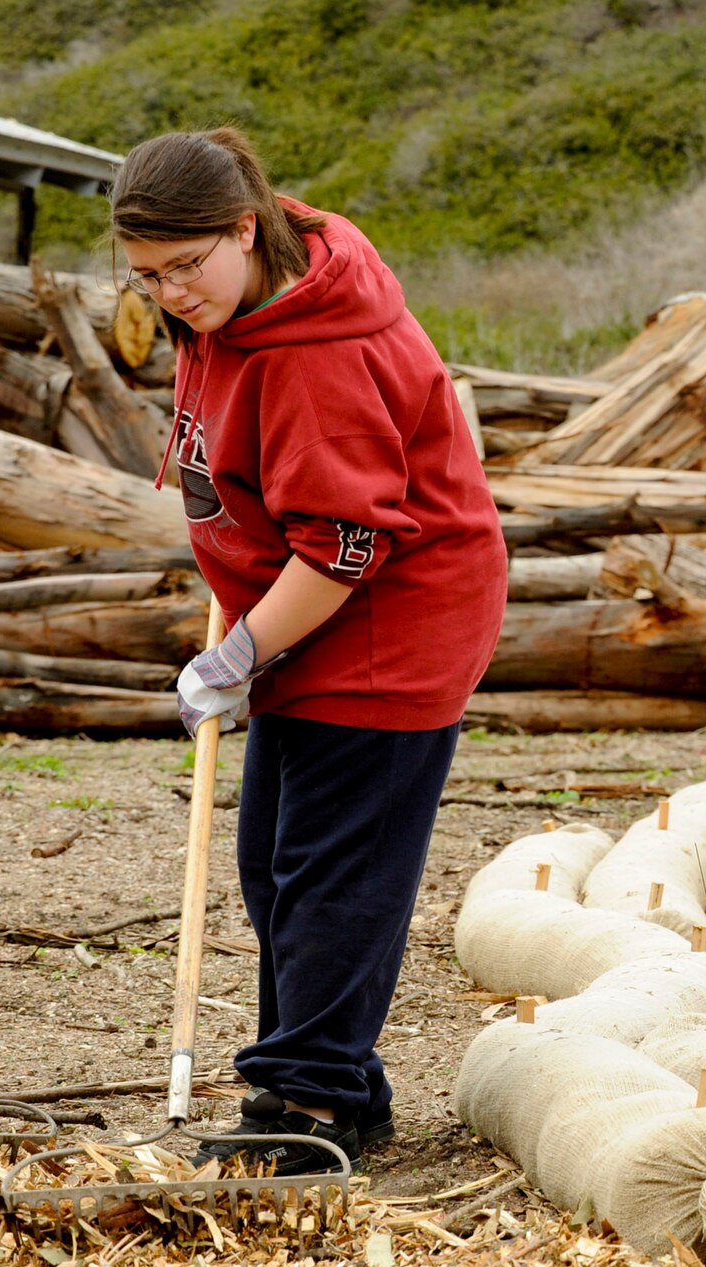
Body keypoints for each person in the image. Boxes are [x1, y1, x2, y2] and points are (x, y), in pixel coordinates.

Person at [111, 128, 506, 1173]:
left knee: (334, 873)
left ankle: (308, 1105)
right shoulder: (233, 299)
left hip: (386, 624)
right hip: (303, 619)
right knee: (276, 866)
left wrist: (237, 654)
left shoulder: (321, 351)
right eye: (145, 276)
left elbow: (347, 541)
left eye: (184, 267)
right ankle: (343, 1082)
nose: (168, 294)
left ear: (244, 227)